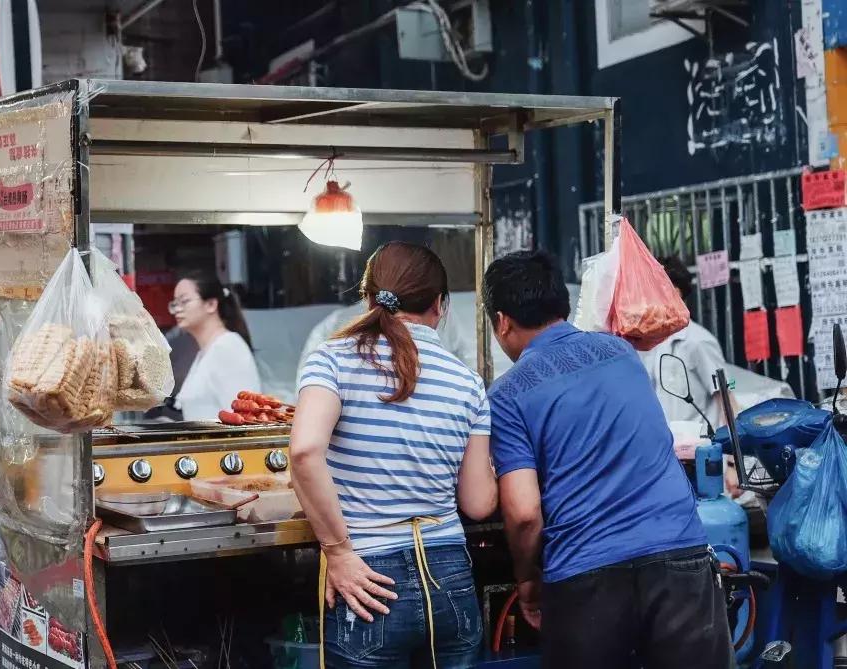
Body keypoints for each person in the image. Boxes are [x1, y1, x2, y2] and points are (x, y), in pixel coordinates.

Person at [483, 250, 731, 669]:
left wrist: (527, 580)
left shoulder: (507, 394)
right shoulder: (621, 353)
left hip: (587, 577)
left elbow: (525, 513)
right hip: (680, 559)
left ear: (502, 321)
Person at [291, 242, 497, 669]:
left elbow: (306, 450)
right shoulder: (467, 382)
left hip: (370, 579)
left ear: (368, 297)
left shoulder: (332, 359)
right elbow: (478, 502)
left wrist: (339, 552)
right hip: (452, 578)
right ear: (441, 306)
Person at [643, 255, 730, 427]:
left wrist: (731, 451)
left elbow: (726, 397)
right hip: (670, 446)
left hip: (702, 447)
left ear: (677, 293)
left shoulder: (698, 341)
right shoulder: (654, 342)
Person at [169, 271, 260, 421]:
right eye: (174, 304)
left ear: (211, 304)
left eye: (184, 301)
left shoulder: (228, 347)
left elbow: (243, 419)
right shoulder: (205, 352)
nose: (177, 309)